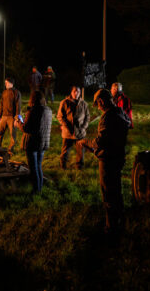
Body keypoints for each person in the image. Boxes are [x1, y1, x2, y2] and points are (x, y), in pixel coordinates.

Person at [78, 89, 130, 234]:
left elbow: (101, 141)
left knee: (108, 193)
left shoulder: (108, 117)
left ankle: (111, 228)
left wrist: (86, 142)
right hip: (118, 156)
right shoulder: (120, 112)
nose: (98, 107)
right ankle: (120, 220)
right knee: (117, 190)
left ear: (101, 101)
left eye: (98, 104)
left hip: (108, 159)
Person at [15, 91, 52, 193]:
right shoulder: (48, 110)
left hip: (33, 143)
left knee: (33, 168)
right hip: (43, 142)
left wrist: (18, 123)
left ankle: (36, 190)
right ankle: (39, 189)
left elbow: (26, 128)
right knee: (38, 166)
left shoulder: (33, 111)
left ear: (32, 99)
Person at [57, 86, 90, 170]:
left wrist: (83, 127)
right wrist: (66, 126)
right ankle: (63, 165)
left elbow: (87, 117)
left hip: (80, 131)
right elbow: (60, 116)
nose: (76, 93)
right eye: (74, 91)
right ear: (71, 92)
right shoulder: (64, 102)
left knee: (80, 150)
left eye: (78, 91)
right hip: (68, 131)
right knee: (65, 150)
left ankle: (79, 166)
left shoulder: (84, 104)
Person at [0, 77, 22, 155]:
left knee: (12, 135)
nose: (5, 84)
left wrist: (17, 119)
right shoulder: (4, 92)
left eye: (6, 83)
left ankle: (10, 150)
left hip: (11, 117)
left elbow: (18, 106)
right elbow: (1, 105)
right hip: (3, 117)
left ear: (11, 83)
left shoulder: (16, 92)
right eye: (5, 83)